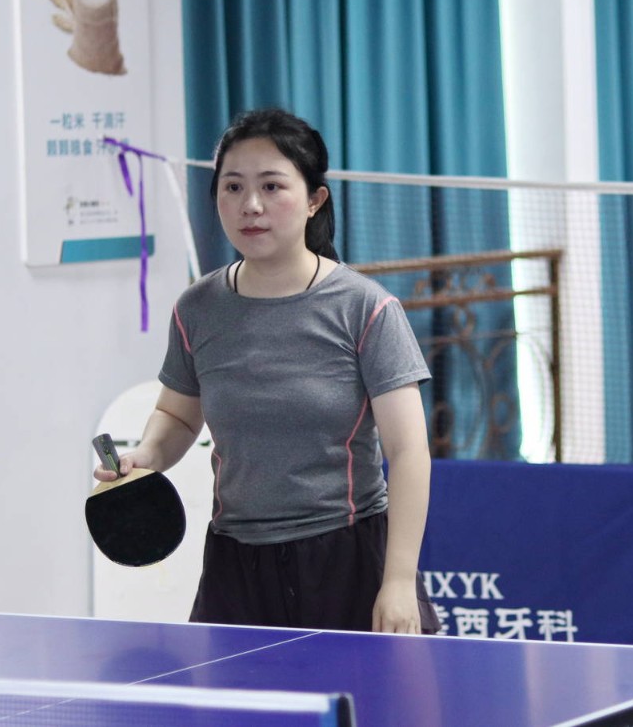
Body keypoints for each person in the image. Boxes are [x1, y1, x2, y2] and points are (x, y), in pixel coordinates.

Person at [95, 107, 439, 634]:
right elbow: (179, 416)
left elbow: (409, 451)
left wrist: (397, 581)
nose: (250, 205)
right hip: (236, 564)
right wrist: (147, 455)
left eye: (272, 186)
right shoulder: (197, 309)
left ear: (314, 200)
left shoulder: (365, 309)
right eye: (233, 187)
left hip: (346, 558)